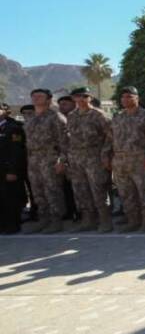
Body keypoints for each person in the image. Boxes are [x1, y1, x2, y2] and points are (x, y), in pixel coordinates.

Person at [111, 86, 145, 232]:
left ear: (137, 98)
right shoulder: (118, 116)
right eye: (123, 97)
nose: (126, 99)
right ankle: (133, 221)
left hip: (140, 160)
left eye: (129, 96)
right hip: (120, 161)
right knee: (126, 193)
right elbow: (111, 138)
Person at [64, 86, 113, 232]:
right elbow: (68, 138)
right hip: (76, 158)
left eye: (84, 96)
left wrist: (105, 155)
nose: (81, 99)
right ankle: (88, 220)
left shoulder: (98, 115)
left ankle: (105, 221)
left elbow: (110, 137)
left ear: (90, 98)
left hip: (94, 156)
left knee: (98, 189)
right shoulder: (72, 116)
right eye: (78, 96)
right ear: (74, 99)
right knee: (81, 190)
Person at [23, 88, 68, 233]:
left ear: (48, 99)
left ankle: (56, 221)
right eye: (33, 96)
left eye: (40, 96)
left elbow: (64, 142)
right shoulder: (30, 118)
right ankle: (44, 219)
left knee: (52, 189)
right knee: (37, 191)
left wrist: (62, 161)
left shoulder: (56, 117)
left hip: (50, 158)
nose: (36, 98)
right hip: (33, 158)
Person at [0, 104, 27, 234]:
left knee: (10, 198)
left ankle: (12, 225)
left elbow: (17, 151)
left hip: (7, 169)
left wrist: (13, 171)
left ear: (5, 112)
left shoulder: (13, 129)